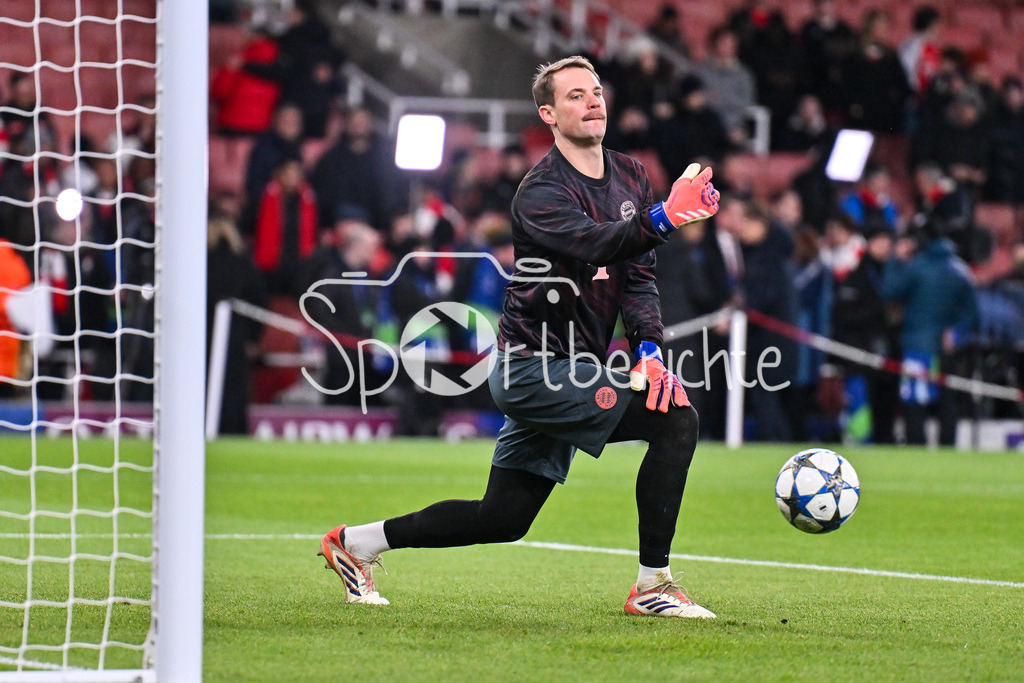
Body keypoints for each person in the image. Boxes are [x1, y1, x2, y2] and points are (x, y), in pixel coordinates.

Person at [317, 56, 721, 618]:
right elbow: (596, 244)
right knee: (676, 420)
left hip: (575, 368)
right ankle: (654, 586)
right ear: (548, 114)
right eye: (576, 95)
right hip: (533, 369)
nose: (593, 101)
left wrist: (649, 352)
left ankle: (353, 544)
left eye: (597, 91)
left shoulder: (629, 175)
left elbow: (638, 276)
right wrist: (665, 218)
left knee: (502, 519)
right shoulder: (539, 191)